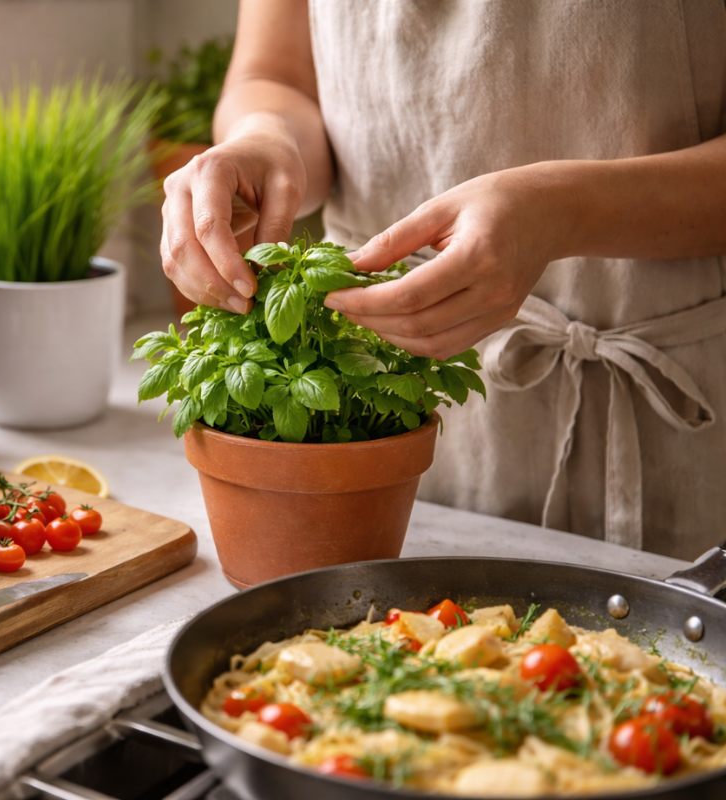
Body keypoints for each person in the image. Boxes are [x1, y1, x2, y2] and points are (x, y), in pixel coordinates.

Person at [160, 0, 726, 561]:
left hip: (678, 414)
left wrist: (566, 211)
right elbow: (274, 75)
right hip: (393, 394)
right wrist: (265, 137)